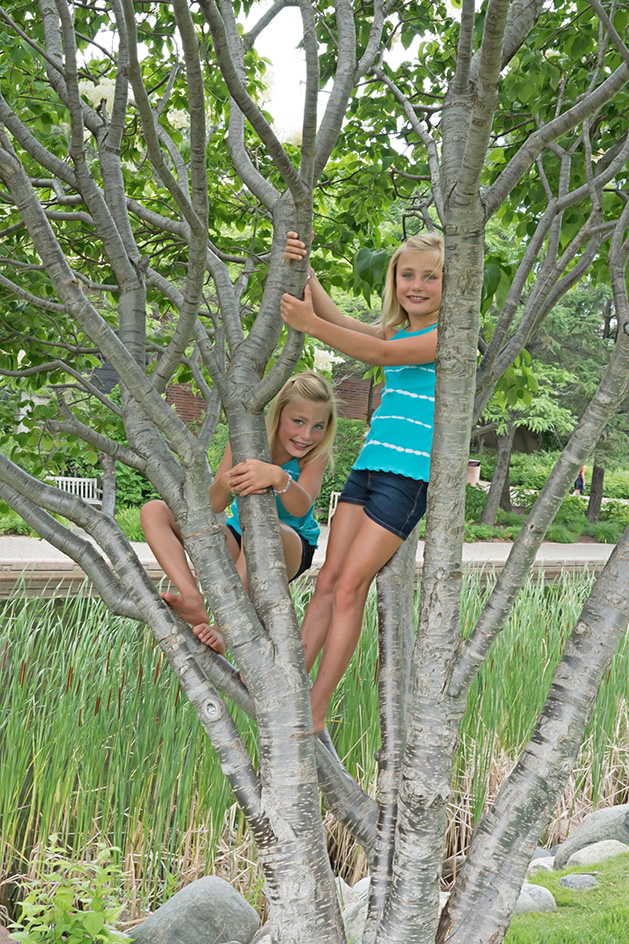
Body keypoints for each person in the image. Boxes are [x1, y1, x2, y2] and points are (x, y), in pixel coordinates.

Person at [280, 230, 442, 731]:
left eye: (430, 276)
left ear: (449, 285)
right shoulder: (397, 331)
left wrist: (308, 325)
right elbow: (343, 322)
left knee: (352, 585)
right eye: (407, 274)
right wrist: (304, 271)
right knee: (327, 578)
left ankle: (318, 705)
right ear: (395, 280)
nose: (416, 285)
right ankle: (290, 683)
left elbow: (380, 358)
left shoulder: (447, 334)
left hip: (409, 476)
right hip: (369, 466)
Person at [141, 371, 337, 654]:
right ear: (279, 414)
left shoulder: (313, 457)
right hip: (237, 538)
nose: (307, 435)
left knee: (269, 533)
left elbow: (302, 504)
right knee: (154, 510)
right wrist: (224, 482)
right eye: (298, 422)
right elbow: (215, 505)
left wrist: (278, 477)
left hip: (290, 546)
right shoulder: (244, 443)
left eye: (318, 426)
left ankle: (225, 628)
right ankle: (192, 598)